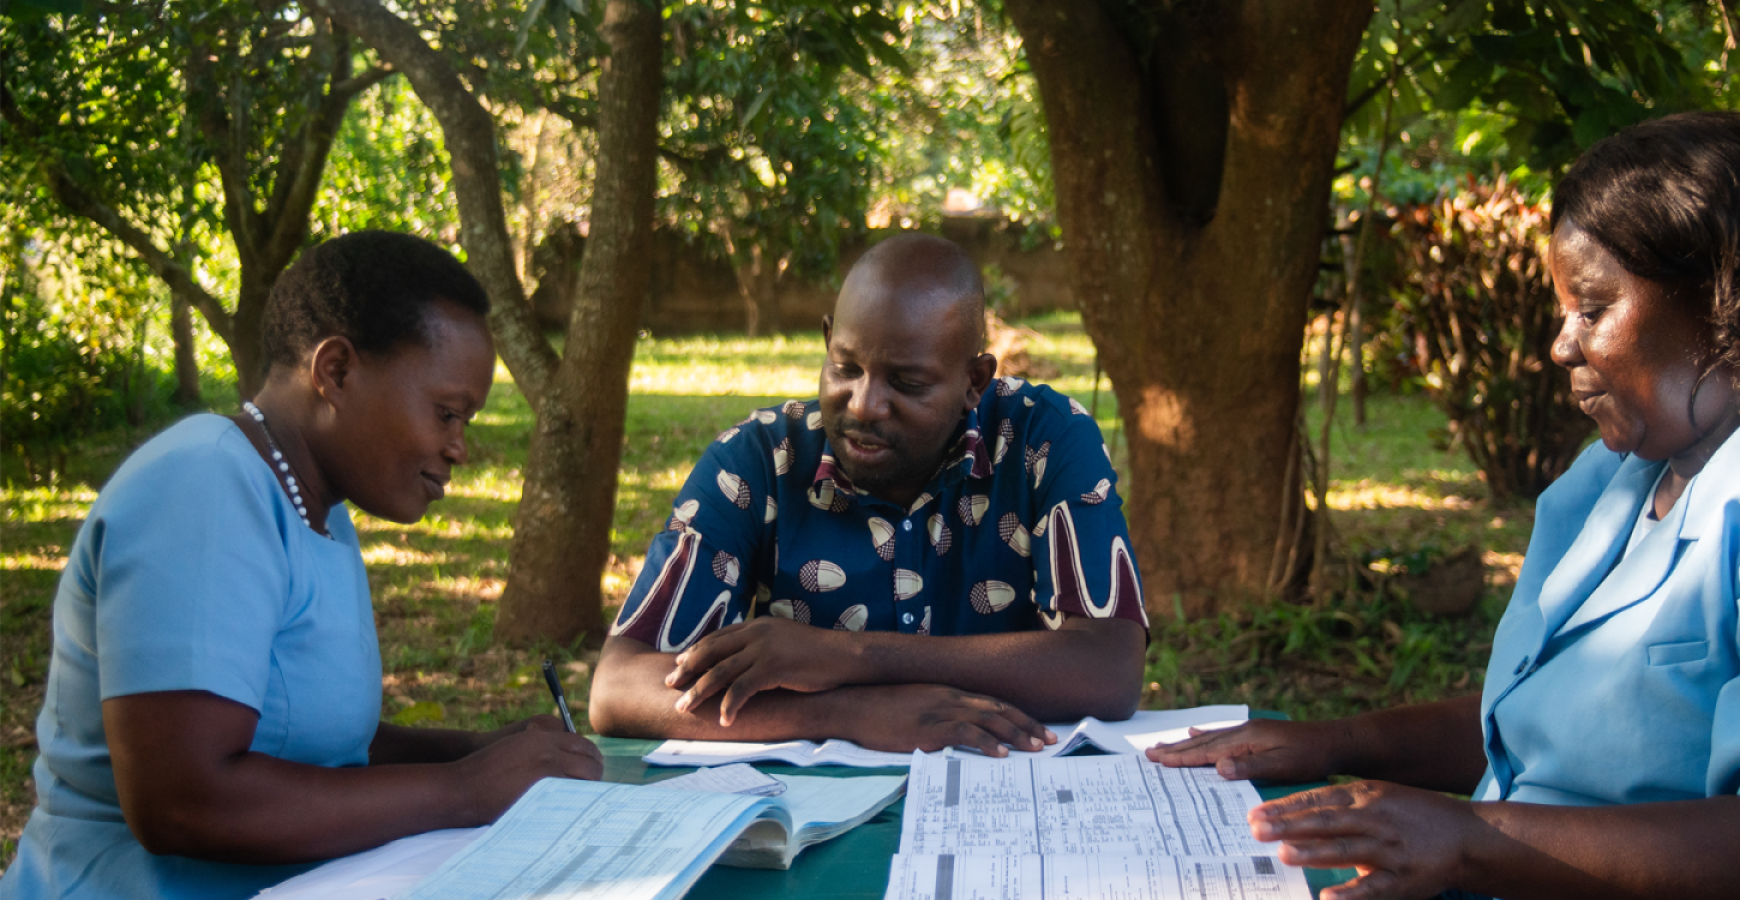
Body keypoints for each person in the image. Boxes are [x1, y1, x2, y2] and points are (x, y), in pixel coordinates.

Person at [1147, 111, 1740, 899]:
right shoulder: (1609, 484)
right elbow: (1534, 722)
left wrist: (1470, 839)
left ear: (1730, 302)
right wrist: (1334, 742)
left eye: (1592, 310)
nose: (1561, 346)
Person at [0, 232, 604, 900]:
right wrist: (464, 789)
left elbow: (316, 751)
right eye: (447, 412)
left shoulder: (318, 512)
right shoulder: (202, 484)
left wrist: (479, 749)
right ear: (337, 371)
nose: (459, 448)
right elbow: (183, 801)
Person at [589, 234, 1149, 756]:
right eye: (846, 367)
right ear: (828, 339)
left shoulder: (1042, 439)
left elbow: (1108, 667)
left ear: (973, 382)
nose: (863, 404)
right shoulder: (759, 462)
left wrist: (843, 656)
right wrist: (850, 713)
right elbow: (620, 686)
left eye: (906, 384)